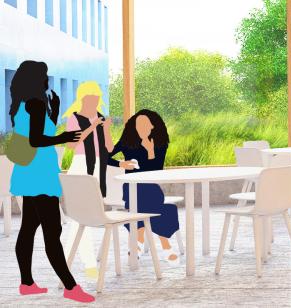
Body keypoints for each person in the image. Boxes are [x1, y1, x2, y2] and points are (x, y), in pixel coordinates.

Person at [8, 61, 97, 302]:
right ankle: (70, 287)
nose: (47, 79)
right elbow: (37, 140)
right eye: (44, 75)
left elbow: (34, 133)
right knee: (52, 230)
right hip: (40, 175)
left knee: (28, 229)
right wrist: (65, 136)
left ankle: (27, 283)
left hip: (27, 172)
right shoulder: (35, 104)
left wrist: (54, 111)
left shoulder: (21, 104)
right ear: (37, 79)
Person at [59, 81, 117, 280]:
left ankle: (68, 260)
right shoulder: (74, 119)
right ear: (82, 98)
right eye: (90, 97)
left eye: (96, 97)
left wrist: (106, 129)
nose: (94, 101)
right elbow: (70, 145)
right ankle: (88, 263)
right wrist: (91, 127)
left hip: (97, 169)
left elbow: (108, 148)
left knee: (84, 217)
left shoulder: (100, 118)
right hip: (81, 167)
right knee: (80, 217)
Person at [108, 109, 180, 265]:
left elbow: (157, 171)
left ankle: (137, 242)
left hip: (151, 188)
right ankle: (166, 246)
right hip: (131, 188)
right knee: (165, 209)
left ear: (152, 126)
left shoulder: (159, 143)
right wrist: (121, 163)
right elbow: (105, 155)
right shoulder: (127, 141)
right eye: (138, 124)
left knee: (143, 207)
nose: (141, 127)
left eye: (144, 124)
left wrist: (150, 151)